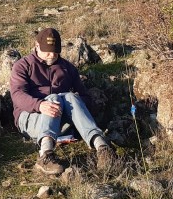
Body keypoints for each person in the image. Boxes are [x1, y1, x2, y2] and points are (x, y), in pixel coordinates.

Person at [9, 27, 116, 175]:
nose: (52, 55)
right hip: (29, 118)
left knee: (70, 97)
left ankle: (102, 147)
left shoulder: (68, 68)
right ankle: (45, 154)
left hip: (60, 121)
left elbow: (85, 96)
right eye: (47, 51)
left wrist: (74, 107)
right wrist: (40, 105)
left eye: (55, 51)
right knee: (54, 98)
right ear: (37, 46)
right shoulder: (22, 66)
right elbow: (17, 95)